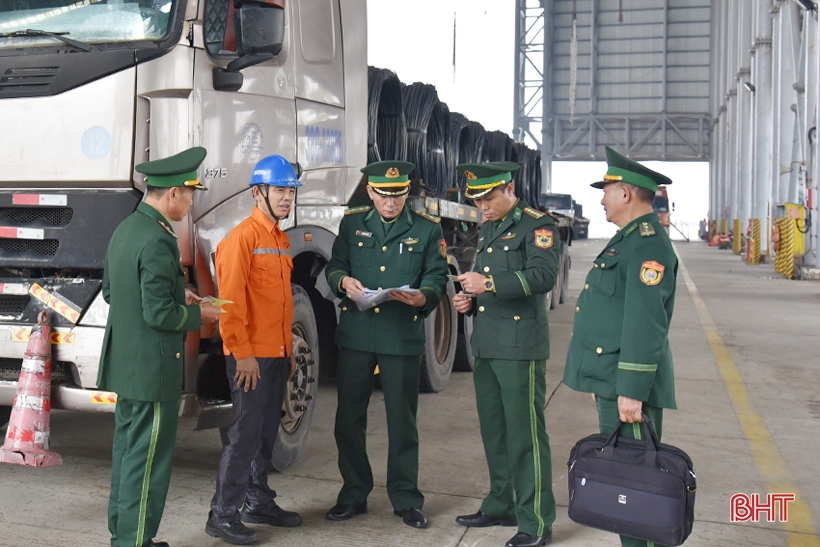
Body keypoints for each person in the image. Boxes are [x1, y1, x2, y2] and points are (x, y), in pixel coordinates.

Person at [98, 146, 221, 547]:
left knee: (128, 456)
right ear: (173, 194)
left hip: (128, 367)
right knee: (147, 464)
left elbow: (114, 292)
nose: (191, 201)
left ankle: (124, 535)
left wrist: (177, 291)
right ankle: (134, 543)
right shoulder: (159, 239)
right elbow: (157, 315)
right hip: (153, 371)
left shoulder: (127, 229)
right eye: (190, 193)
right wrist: (198, 316)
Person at [563, 146, 678, 547]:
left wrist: (631, 390)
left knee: (634, 489)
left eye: (607, 190)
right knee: (625, 489)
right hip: (612, 380)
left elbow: (645, 324)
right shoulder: (628, 241)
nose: (601, 198)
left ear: (626, 194)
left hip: (627, 388)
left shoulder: (646, 245)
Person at [324, 160, 448, 529]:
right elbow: (334, 267)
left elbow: (437, 277)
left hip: (400, 336)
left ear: (407, 193)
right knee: (349, 417)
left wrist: (423, 297)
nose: (390, 203)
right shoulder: (352, 224)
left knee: (402, 420)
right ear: (371, 192)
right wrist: (344, 282)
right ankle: (353, 493)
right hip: (358, 334)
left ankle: (406, 498)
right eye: (382, 195)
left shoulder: (427, 230)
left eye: (397, 195)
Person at [452, 161, 559, 547]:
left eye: (489, 198)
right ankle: (501, 503)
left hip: (519, 347)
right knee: (495, 431)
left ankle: (536, 522)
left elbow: (544, 276)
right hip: (488, 343)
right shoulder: (491, 227)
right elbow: (486, 282)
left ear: (509, 189)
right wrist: (470, 297)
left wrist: (490, 282)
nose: (483, 206)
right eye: (477, 201)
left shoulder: (537, 225)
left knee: (525, 435)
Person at [206, 155, 303, 545]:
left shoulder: (279, 238)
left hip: (276, 354)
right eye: (280, 190)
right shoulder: (241, 238)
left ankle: (258, 500)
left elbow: (279, 302)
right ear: (258, 192)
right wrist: (241, 352)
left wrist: (289, 347)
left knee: (264, 434)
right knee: (243, 436)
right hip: (250, 358)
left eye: (291, 190)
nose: (287, 198)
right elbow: (230, 305)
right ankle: (222, 514)